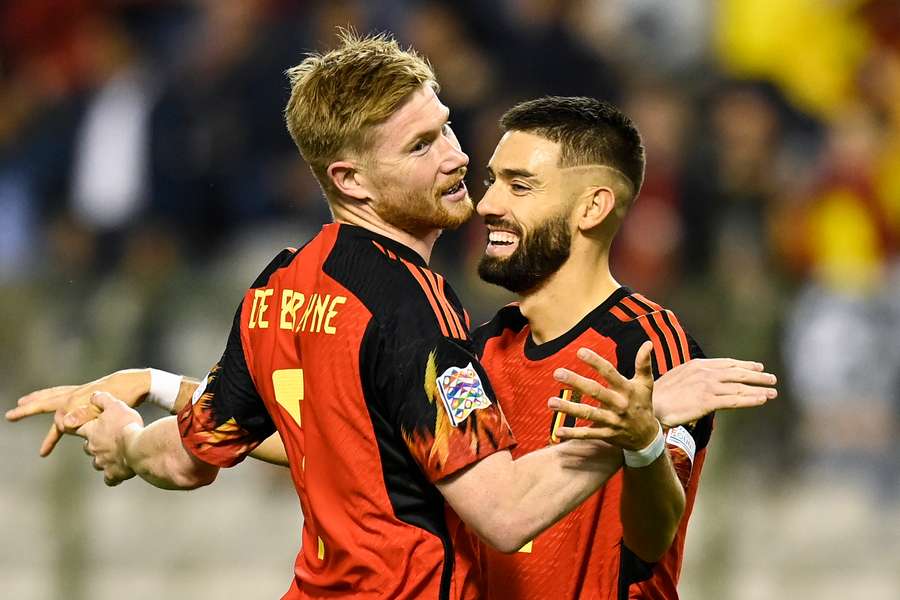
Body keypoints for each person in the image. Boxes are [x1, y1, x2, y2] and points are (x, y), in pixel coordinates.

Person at [7, 37, 778, 599]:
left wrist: (136, 409)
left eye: (446, 128)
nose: (459, 165)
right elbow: (504, 510)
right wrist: (642, 427)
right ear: (351, 179)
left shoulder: (278, 286)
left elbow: (219, 453)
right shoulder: (421, 317)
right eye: (421, 145)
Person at [471, 96, 729, 599]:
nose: (488, 205)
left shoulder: (649, 347)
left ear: (592, 207)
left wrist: (643, 442)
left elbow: (656, 536)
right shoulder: (479, 349)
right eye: (491, 181)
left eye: (519, 186)